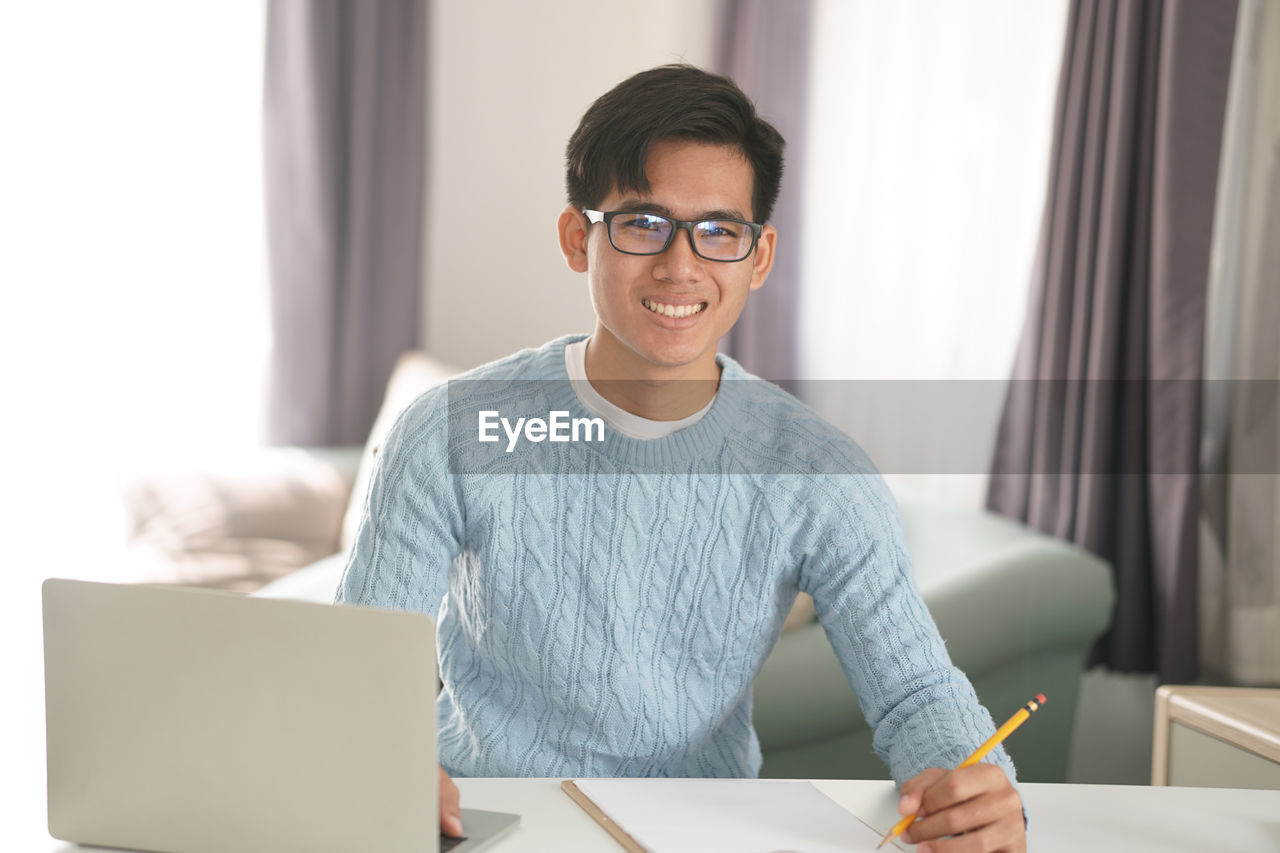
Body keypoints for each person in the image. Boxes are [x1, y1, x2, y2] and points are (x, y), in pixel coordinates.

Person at [337, 64, 1027, 852]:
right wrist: (377, 762)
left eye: (719, 231)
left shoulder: (816, 471)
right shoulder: (451, 431)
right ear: (576, 237)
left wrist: (970, 787)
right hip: (480, 822)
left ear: (758, 256)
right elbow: (355, 672)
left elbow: (915, 693)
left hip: (705, 834)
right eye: (643, 223)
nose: (680, 265)